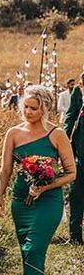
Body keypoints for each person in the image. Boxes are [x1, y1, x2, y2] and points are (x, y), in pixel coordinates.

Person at [0, 85, 76, 275]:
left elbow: (72, 173)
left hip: (48, 203)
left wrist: (46, 185)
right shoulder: (13, 134)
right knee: (29, 256)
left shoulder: (57, 134)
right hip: (20, 203)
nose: (28, 112)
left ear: (44, 107)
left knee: (33, 250)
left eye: (33, 108)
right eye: (25, 107)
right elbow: (5, 170)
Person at [64, 73, 84, 245]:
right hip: (80, 153)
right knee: (76, 193)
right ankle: (75, 236)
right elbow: (71, 117)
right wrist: (64, 144)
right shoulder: (78, 91)